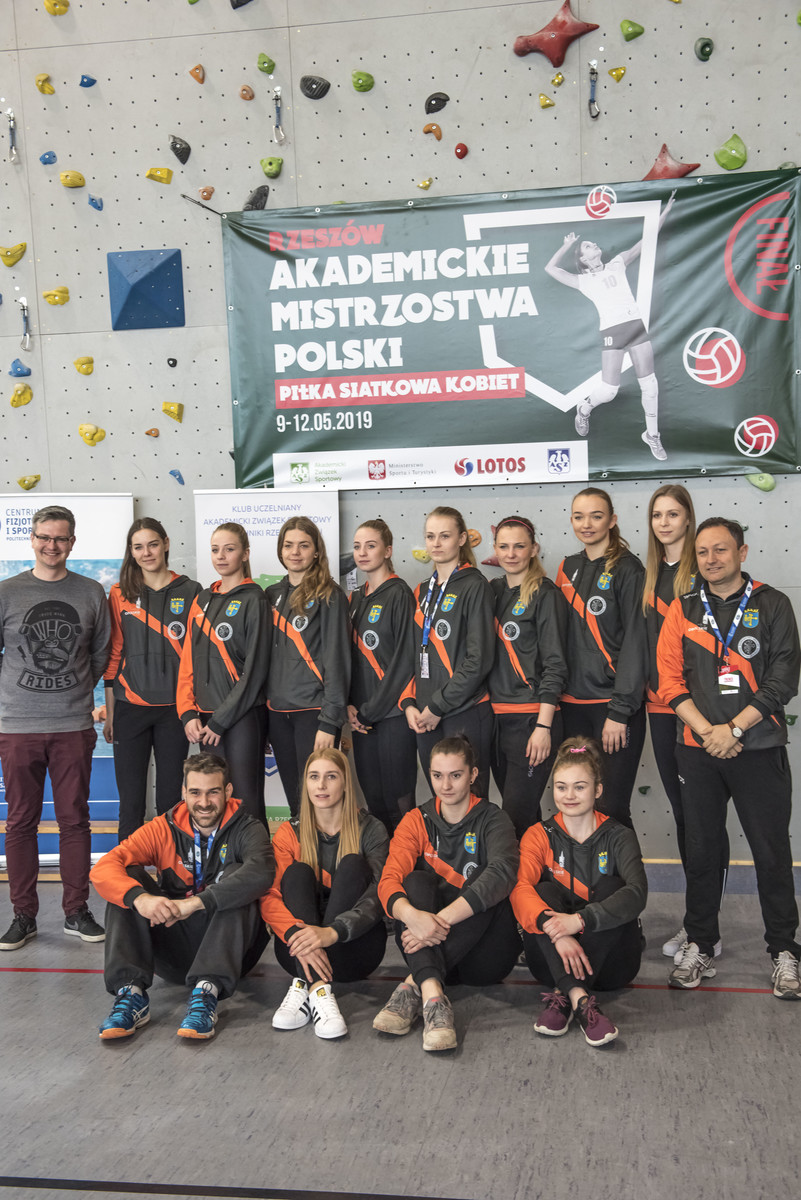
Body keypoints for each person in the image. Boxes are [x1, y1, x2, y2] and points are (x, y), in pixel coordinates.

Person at [657, 517, 801, 998]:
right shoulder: (683, 608)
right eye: (703, 552)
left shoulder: (772, 604)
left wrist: (735, 728)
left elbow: (784, 678)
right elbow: (668, 680)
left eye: (721, 549)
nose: (711, 559)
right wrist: (708, 732)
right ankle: (701, 943)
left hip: (758, 748)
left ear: (742, 552)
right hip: (698, 751)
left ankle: (784, 951)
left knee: (771, 853)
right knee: (701, 850)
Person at [91, 753, 274, 1040]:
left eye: (213, 792)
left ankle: (206, 994)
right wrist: (140, 898)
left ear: (228, 791)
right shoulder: (163, 828)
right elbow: (104, 867)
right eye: (196, 792)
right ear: (184, 793)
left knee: (240, 876)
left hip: (233, 954)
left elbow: (262, 872)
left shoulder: (248, 828)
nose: (204, 802)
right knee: (127, 878)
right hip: (174, 954)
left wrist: (197, 902)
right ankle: (131, 994)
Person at [0, 505, 110, 951]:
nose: (52, 546)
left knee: (74, 820)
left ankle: (76, 911)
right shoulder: (7, 592)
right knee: (20, 822)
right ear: (32, 539)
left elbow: (100, 654)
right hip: (17, 725)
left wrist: (73, 688)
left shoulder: (91, 593)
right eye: (44, 537)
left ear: (72, 542)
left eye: (60, 538)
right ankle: (23, 915)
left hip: (71, 724)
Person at [373, 736, 519, 1052]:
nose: (446, 785)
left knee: (488, 878)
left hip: (485, 960)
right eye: (438, 775)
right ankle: (432, 998)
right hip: (431, 953)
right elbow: (388, 881)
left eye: (456, 775)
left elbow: (504, 872)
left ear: (473, 774)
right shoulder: (416, 820)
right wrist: (412, 916)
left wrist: (436, 923)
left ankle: (412, 984)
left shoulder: (493, 818)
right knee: (414, 882)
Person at [511, 737, 646, 1047]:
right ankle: (580, 1000)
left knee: (614, 887)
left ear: (597, 790)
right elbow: (519, 889)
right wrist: (558, 932)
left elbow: (638, 893)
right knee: (542, 891)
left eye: (579, 787)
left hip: (614, 966)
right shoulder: (539, 834)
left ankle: (563, 996)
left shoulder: (619, 836)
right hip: (550, 960)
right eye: (561, 787)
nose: (569, 795)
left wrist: (579, 921)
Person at [642, 486, 726, 961]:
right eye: (657, 515)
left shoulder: (706, 569)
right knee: (684, 819)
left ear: (689, 519)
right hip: (661, 708)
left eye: (673, 514)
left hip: (702, 712)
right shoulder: (651, 573)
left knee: (704, 823)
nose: (665, 522)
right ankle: (697, 924)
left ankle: (705, 930)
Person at [262, 748, 389, 1039]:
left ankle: (305, 986)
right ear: (305, 783)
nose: (321, 785)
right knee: (297, 872)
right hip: (297, 951)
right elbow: (269, 897)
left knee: (353, 864)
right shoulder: (289, 832)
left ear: (345, 783)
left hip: (355, 949)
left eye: (331, 777)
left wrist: (332, 932)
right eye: (314, 777)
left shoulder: (371, 829)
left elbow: (380, 893)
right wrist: (299, 936)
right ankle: (318, 989)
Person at [544, 190, 675, 461]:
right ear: (583, 259)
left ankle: (652, 435)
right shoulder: (583, 281)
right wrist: (567, 245)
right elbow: (551, 269)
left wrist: (665, 213)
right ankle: (584, 408)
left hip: (635, 326)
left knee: (650, 385)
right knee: (609, 391)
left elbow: (645, 241)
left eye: (592, 243)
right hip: (612, 332)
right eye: (588, 246)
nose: (593, 245)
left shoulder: (617, 263)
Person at [104, 518, 201, 840]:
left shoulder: (191, 590)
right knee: (131, 801)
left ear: (166, 544)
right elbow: (114, 654)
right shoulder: (120, 593)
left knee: (171, 801)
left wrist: (192, 708)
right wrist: (111, 713)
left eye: (153, 544)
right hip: (130, 707)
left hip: (175, 710)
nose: (146, 553)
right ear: (131, 552)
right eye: (138, 547)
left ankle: (171, 867)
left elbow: (198, 656)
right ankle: (129, 869)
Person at [555, 488, 647, 828]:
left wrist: (620, 711)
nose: (587, 524)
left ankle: (623, 867)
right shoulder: (567, 567)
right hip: (571, 707)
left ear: (612, 520)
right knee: (576, 808)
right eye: (579, 517)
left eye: (596, 516)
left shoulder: (628, 569)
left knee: (611, 806)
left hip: (612, 708)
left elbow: (637, 642)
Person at [177, 523, 270, 826]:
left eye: (229, 549)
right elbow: (188, 662)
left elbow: (255, 671)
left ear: (245, 554)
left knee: (245, 798)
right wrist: (188, 712)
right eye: (215, 550)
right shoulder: (202, 600)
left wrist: (221, 720)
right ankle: (223, 856)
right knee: (215, 800)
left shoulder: (255, 599)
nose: (221, 556)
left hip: (242, 716)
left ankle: (255, 856)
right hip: (206, 718)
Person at [400, 507, 495, 799]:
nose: (436, 543)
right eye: (430, 537)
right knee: (441, 802)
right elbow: (412, 656)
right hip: (425, 716)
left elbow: (479, 660)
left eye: (445, 536)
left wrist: (438, 706)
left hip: (464, 711)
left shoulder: (475, 585)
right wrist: (409, 703)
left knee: (470, 801)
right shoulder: (421, 591)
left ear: (462, 539)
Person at [488, 515, 568, 838]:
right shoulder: (492, 591)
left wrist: (543, 727)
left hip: (531, 720)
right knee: (525, 818)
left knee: (513, 820)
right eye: (504, 546)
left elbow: (555, 664)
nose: (511, 554)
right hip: (496, 720)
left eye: (519, 546)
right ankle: (535, 871)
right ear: (495, 549)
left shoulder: (546, 594)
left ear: (534, 549)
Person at [266, 517, 350, 819]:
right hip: (277, 712)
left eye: (303, 545)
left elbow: (338, 660)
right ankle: (301, 848)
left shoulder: (330, 595)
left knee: (321, 800)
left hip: (314, 713)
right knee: (296, 801)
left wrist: (330, 721)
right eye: (288, 545)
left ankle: (325, 850)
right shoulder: (271, 595)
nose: (295, 552)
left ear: (316, 551)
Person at [348, 519, 417, 835]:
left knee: (398, 801)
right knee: (374, 800)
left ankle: (407, 861)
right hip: (360, 719)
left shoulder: (399, 593)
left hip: (392, 716)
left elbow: (404, 662)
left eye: (371, 546)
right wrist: (350, 706)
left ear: (388, 551)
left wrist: (369, 711)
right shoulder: (355, 598)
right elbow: (347, 660)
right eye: (357, 546)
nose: (362, 553)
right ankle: (382, 862)